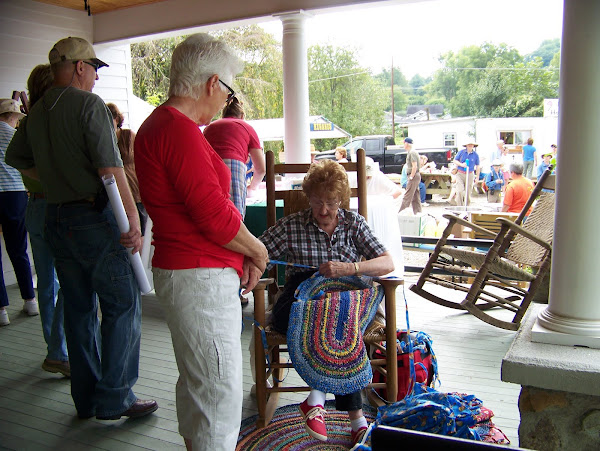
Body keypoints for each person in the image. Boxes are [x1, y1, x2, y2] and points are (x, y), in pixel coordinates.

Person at [6, 36, 157, 420]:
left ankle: (86, 398)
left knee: (77, 309)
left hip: (56, 217)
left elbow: (16, 156)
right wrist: (132, 222)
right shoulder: (88, 105)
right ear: (77, 67)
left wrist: (55, 177)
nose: (94, 77)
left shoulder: (37, 111)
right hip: (94, 219)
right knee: (122, 304)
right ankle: (116, 396)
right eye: (93, 69)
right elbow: (112, 169)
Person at [133, 33, 268, 451]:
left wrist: (240, 251)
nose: (225, 101)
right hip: (199, 277)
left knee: (200, 384)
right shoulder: (179, 130)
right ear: (212, 84)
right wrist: (257, 249)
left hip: (188, 272)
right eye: (227, 92)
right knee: (217, 393)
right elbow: (214, 213)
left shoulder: (160, 126)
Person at [258, 159, 394, 445]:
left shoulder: (354, 223)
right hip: (301, 297)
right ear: (308, 196)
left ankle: (316, 399)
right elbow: (257, 252)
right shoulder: (291, 226)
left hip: (344, 295)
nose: (323, 210)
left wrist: (350, 269)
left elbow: (387, 262)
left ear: (341, 200)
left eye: (331, 202)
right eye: (317, 201)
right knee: (335, 323)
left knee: (338, 317)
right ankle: (356, 418)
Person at [15, 64, 70, 375]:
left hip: (35, 206)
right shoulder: (49, 120)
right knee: (68, 280)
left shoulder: (28, 122)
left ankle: (56, 350)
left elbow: (16, 158)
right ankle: (59, 351)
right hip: (54, 206)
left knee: (48, 283)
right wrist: (51, 180)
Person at [0, 99, 38, 327]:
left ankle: (1, 310)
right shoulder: (14, 136)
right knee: (18, 249)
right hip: (14, 194)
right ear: (13, 117)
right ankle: (30, 300)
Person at [204, 96, 265, 218]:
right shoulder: (246, 127)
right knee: (234, 220)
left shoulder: (209, 128)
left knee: (211, 217)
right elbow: (261, 169)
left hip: (209, 172)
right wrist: (252, 188)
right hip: (234, 169)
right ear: (242, 116)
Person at [106, 103, 148, 235]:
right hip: (117, 191)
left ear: (116, 119)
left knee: (142, 228)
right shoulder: (104, 140)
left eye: (109, 120)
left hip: (135, 188)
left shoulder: (128, 135)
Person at [398, 137, 422, 215]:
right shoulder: (411, 152)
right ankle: (418, 213)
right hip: (415, 175)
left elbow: (414, 166)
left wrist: (411, 177)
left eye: (404, 143)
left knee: (407, 196)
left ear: (407, 144)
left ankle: (401, 213)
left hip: (413, 175)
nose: (403, 145)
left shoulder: (412, 152)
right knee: (415, 197)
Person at [453, 141, 480, 206]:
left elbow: (478, 166)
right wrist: (461, 165)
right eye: (469, 144)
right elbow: (455, 160)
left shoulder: (475, 155)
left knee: (468, 192)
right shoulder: (461, 152)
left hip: (470, 174)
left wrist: (477, 177)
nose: (470, 145)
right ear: (466, 145)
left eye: (472, 144)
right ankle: (460, 207)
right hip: (460, 173)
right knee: (459, 191)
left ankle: (467, 207)